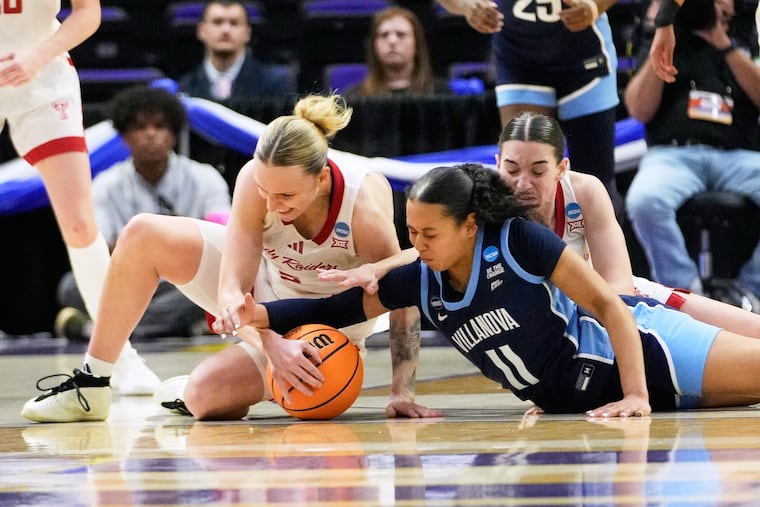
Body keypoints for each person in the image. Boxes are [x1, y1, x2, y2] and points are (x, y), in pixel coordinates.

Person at [20, 93, 434, 423]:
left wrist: (402, 392)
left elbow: (402, 295)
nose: (273, 203)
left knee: (204, 398)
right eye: (267, 191)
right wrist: (271, 345)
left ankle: (203, 388)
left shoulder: (361, 205)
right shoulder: (256, 182)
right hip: (268, 292)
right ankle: (93, 380)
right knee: (143, 233)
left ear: (322, 178)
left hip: (333, 319)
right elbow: (231, 291)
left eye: (286, 195)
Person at [239, 162, 760, 416]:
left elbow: (608, 304)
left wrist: (636, 395)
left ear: (469, 225)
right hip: (591, 399)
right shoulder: (420, 279)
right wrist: (261, 316)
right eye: (412, 233)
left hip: (645, 353)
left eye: (429, 234)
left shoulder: (519, 242)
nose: (416, 245)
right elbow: (337, 307)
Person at [320, 111, 760, 336]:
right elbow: (431, 245)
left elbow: (620, 283)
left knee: (747, 331)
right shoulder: (481, 196)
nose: (522, 182)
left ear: (562, 167)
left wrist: (617, 325)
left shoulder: (585, 191)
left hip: (612, 307)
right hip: (547, 325)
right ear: (496, 164)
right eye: (511, 168)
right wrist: (378, 268)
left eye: (537, 170)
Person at [0, 0, 158, 394]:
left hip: (41, 73)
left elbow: (88, 12)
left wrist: (37, 56)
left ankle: (118, 357)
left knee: (79, 222)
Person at [55, 85, 232, 344]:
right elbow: (100, 250)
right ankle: (171, 326)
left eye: (160, 126)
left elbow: (224, 238)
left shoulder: (205, 178)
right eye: (140, 127)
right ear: (124, 137)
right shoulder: (106, 184)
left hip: (184, 280)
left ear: (173, 134)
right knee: (71, 286)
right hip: (128, 282)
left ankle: (98, 331)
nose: (150, 134)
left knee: (218, 285)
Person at [624, 0, 760, 302]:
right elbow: (638, 109)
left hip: (739, 156)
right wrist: (663, 36)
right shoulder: (668, 41)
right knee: (644, 200)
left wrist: (722, 41)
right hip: (673, 157)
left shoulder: (744, 41)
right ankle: (684, 294)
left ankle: (752, 291)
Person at [435, 0, 624, 217]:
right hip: (518, 56)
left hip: (584, 55)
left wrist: (595, 6)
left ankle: (599, 249)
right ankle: (535, 248)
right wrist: (466, 6)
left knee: (594, 185)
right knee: (522, 181)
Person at [177, 0, 297, 102]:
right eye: (217, 22)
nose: (225, 30)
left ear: (248, 32)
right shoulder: (185, 88)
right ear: (201, 31)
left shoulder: (276, 84)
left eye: (234, 23)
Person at [344, 6, 450, 98]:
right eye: (384, 35)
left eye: (401, 34)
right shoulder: (355, 97)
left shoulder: (441, 95)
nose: (392, 41)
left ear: (417, 44)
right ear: (373, 46)